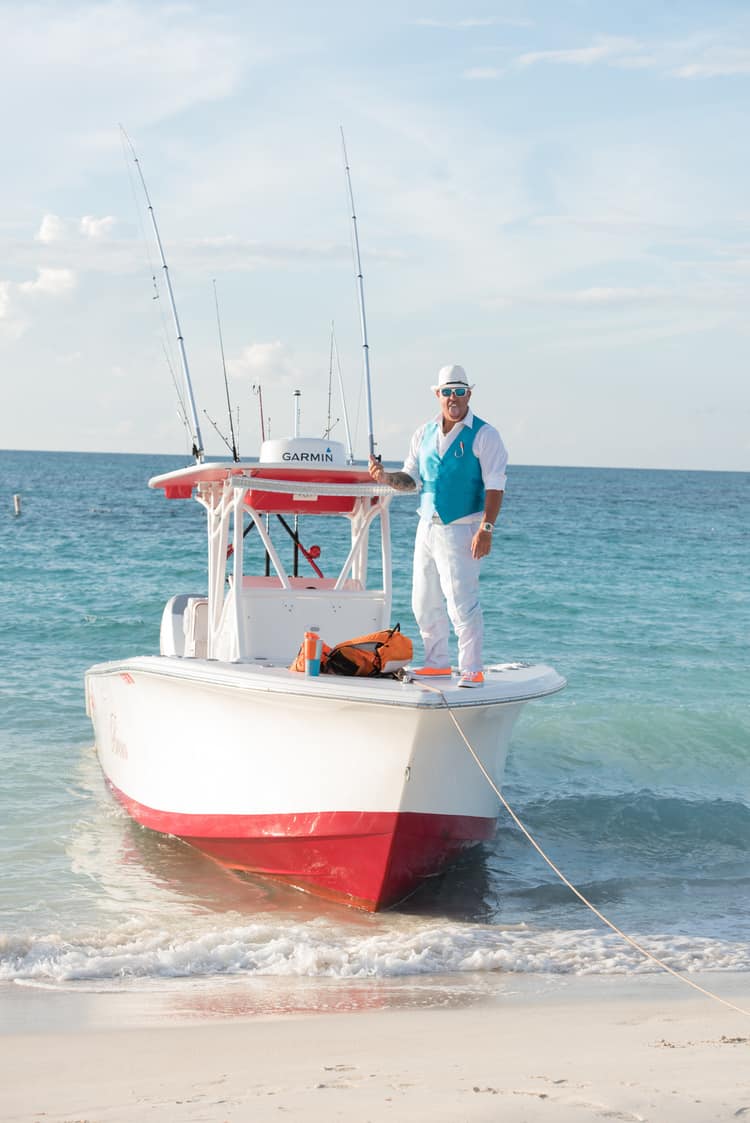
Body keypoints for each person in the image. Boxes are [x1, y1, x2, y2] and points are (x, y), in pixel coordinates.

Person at [369, 364, 507, 688]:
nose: (453, 398)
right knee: (423, 599)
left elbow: (496, 485)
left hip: (462, 527)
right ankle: (437, 663)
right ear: (437, 395)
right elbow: (411, 479)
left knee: (462, 601)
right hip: (427, 527)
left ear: (469, 393)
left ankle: (471, 668)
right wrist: (386, 478)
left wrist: (486, 529)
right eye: (447, 392)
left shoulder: (485, 435)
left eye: (460, 391)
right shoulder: (423, 433)